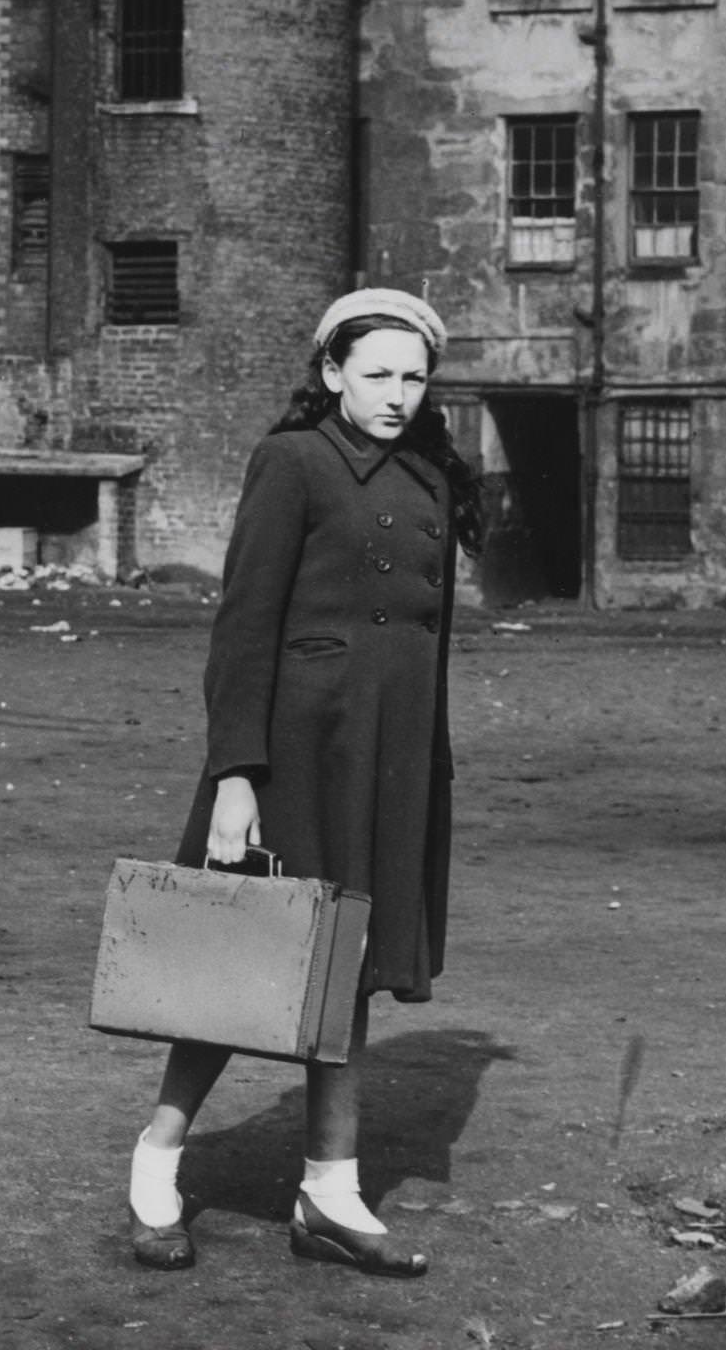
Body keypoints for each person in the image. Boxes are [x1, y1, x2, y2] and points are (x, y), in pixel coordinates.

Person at [125, 288, 483, 1278]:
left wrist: (428, 768)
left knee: (349, 963)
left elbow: (429, 639)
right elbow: (241, 628)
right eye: (376, 373)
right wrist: (235, 777)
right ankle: (158, 1154)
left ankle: (329, 1186)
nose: (397, 394)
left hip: (391, 757)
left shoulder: (428, 476)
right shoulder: (291, 462)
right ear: (330, 371)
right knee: (242, 960)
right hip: (294, 755)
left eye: (413, 376)